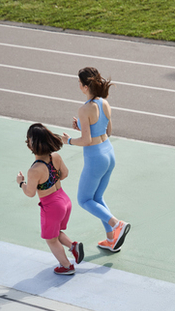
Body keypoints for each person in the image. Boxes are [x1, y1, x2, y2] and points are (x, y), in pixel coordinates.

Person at [61, 67, 130, 252]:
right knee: (97, 197)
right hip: (109, 152)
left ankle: (117, 224)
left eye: (79, 83)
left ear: (84, 86)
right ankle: (111, 240)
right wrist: (82, 127)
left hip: (95, 158)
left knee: (84, 200)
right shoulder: (104, 103)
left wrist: (67, 140)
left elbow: (86, 141)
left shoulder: (84, 109)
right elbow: (107, 131)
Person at [17, 123, 84, 275]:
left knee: (50, 239)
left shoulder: (34, 170)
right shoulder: (56, 157)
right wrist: (53, 178)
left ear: (30, 145)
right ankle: (73, 246)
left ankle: (66, 266)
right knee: (55, 231)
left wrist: (21, 183)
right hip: (64, 200)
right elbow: (65, 174)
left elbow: (30, 193)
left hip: (52, 206)